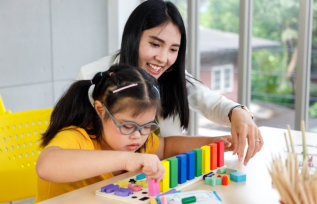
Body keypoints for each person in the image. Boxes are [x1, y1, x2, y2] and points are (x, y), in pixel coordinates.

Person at [77, 0, 263, 166]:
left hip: (165, 179)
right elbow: (76, 151)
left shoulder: (173, 75)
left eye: (173, 49)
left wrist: (238, 112)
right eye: (155, 44)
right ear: (133, 38)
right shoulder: (94, 77)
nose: (163, 59)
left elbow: (212, 103)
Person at [35, 64, 233, 202]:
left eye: (147, 126)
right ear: (100, 109)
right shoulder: (78, 137)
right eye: (127, 126)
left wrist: (214, 141)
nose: (138, 136)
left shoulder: (138, 139)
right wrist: (125, 159)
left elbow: (166, 147)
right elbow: (46, 166)